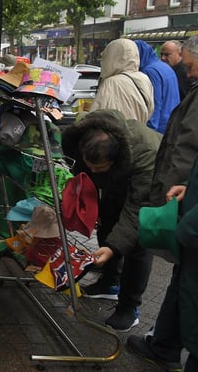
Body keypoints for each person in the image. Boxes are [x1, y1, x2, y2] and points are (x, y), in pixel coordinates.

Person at [126, 35, 198, 370]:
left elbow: (186, 145)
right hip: (186, 192)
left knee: (185, 276)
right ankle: (166, 342)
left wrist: (174, 188)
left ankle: (170, 344)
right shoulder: (189, 84)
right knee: (181, 277)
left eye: (189, 58)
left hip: (184, 199)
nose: (185, 63)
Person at [61, 109, 162, 331]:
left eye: (99, 168)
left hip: (146, 192)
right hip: (117, 185)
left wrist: (114, 247)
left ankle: (129, 307)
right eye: (90, 166)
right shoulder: (86, 136)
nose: (93, 171)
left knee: (137, 244)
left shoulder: (147, 153)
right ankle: (110, 283)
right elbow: (84, 173)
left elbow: (137, 209)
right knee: (107, 225)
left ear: (116, 160)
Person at [90, 38, 154, 125]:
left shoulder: (112, 83)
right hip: (137, 132)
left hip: (118, 134)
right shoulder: (143, 78)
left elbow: (98, 117)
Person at [134, 39, 180, 134]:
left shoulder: (149, 71)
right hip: (172, 125)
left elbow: (154, 104)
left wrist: (150, 133)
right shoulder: (165, 67)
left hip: (159, 130)